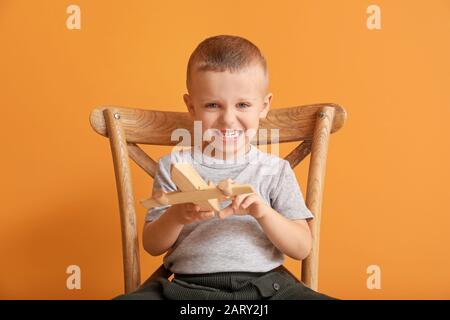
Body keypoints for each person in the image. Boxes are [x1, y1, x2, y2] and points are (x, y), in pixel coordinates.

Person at [114, 35, 336, 300]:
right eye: (212, 105)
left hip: (266, 290)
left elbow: (301, 247)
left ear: (264, 106)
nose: (228, 119)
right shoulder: (175, 165)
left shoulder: (275, 170)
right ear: (191, 107)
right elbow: (151, 245)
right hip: (185, 291)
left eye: (242, 104)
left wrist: (263, 213)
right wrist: (177, 216)